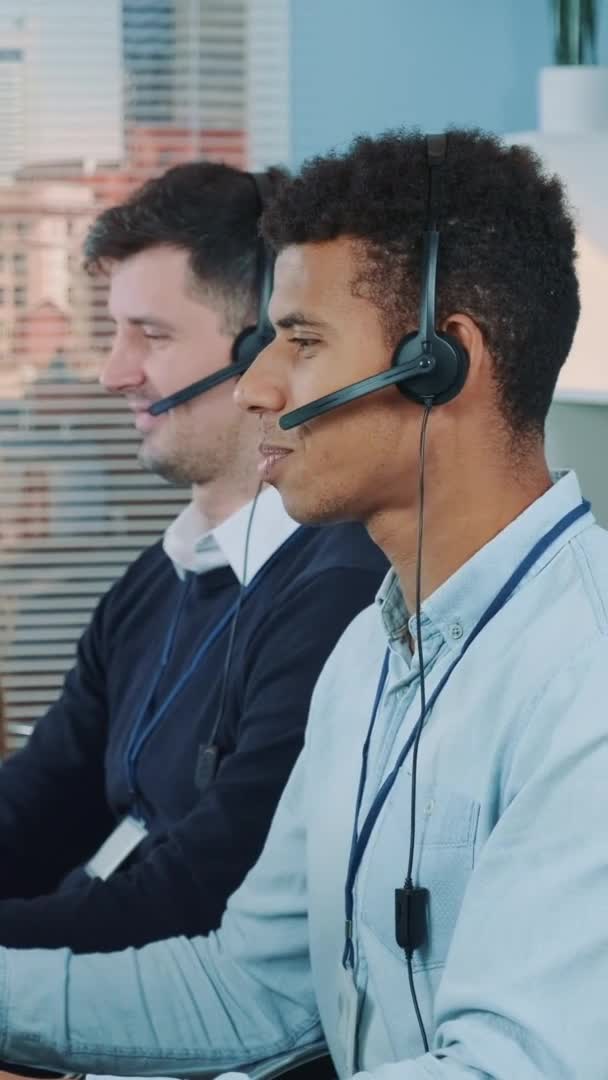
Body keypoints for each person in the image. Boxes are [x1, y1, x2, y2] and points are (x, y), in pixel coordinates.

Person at [0, 128, 606, 1080]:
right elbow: (252, 989)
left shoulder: (585, 678)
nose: (256, 387)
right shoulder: (370, 656)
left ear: (442, 363)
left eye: (303, 342)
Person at [0, 161, 387, 953]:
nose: (114, 373)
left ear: (260, 354)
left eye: (153, 335)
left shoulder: (338, 599)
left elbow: (196, 898)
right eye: (115, 333)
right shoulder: (161, 576)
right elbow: (40, 799)